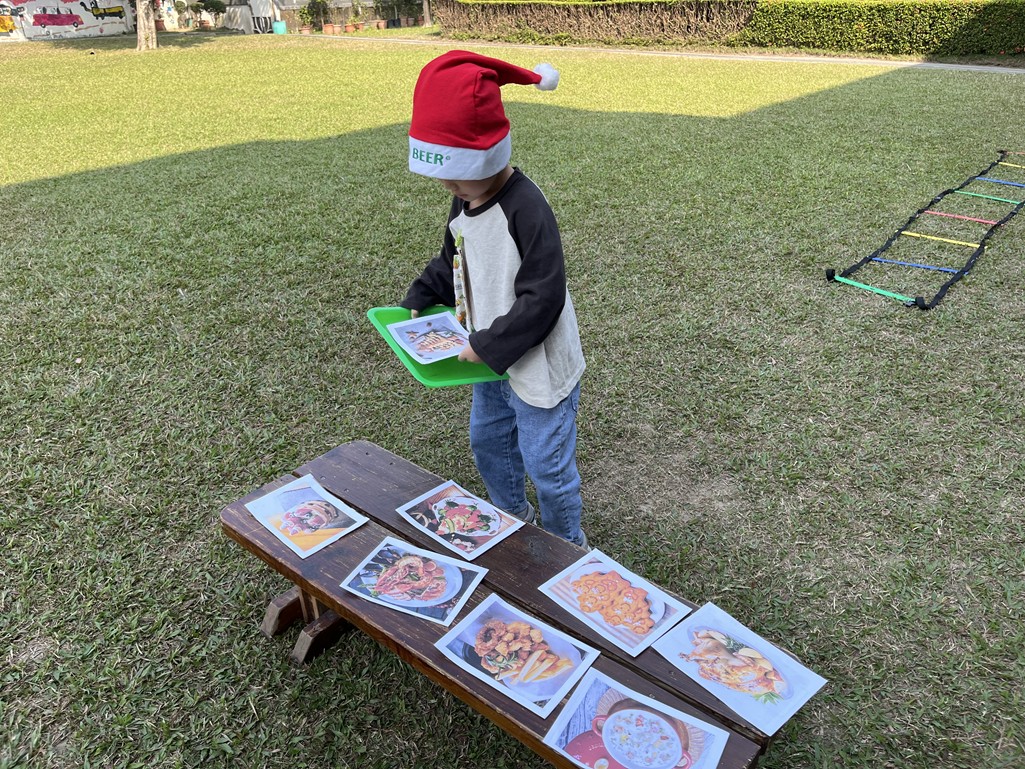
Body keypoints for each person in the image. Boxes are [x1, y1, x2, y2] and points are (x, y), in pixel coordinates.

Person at [400, 50, 588, 549]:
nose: (450, 187)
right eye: (443, 177)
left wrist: (489, 345)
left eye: (459, 174)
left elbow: (544, 296)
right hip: (487, 357)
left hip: (537, 367)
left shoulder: (527, 208)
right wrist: (424, 292)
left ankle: (566, 545)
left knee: (547, 466)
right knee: (489, 443)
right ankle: (510, 519)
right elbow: (454, 257)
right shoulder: (465, 197)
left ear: (490, 156)